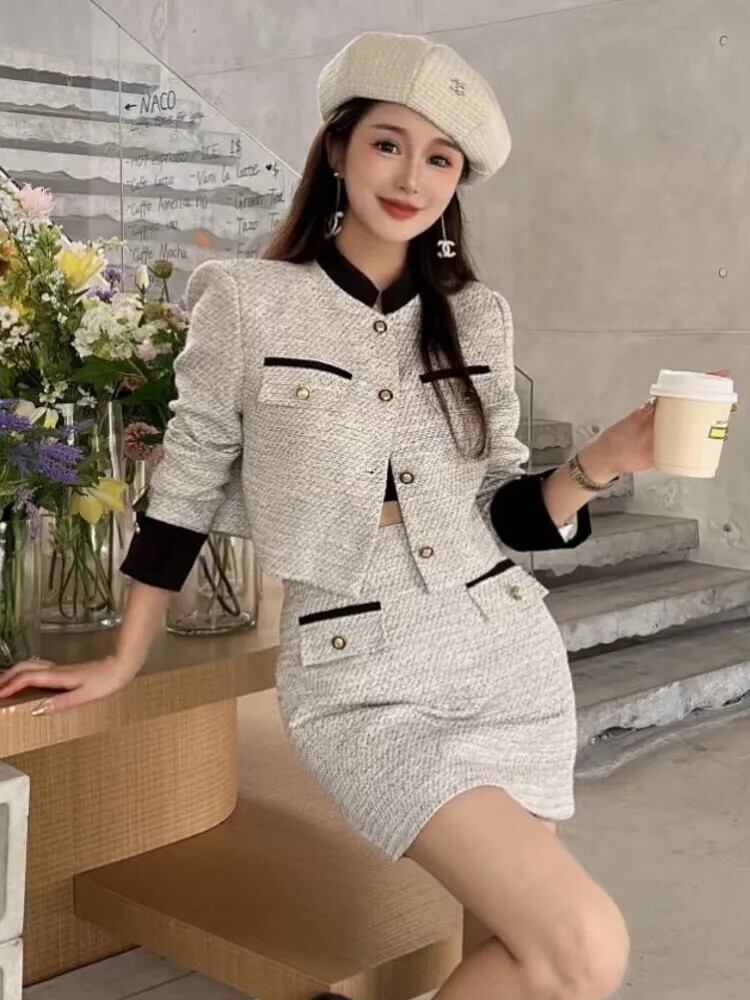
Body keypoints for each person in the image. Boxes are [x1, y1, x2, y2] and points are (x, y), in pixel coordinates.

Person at [0, 29, 734, 1000]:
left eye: (441, 159)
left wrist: (604, 462)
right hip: (358, 673)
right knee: (583, 947)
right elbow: (184, 491)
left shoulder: (479, 316)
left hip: (503, 653)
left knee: (528, 959)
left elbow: (508, 513)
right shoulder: (247, 302)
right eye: (390, 143)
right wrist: (125, 655)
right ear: (339, 149)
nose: (412, 176)